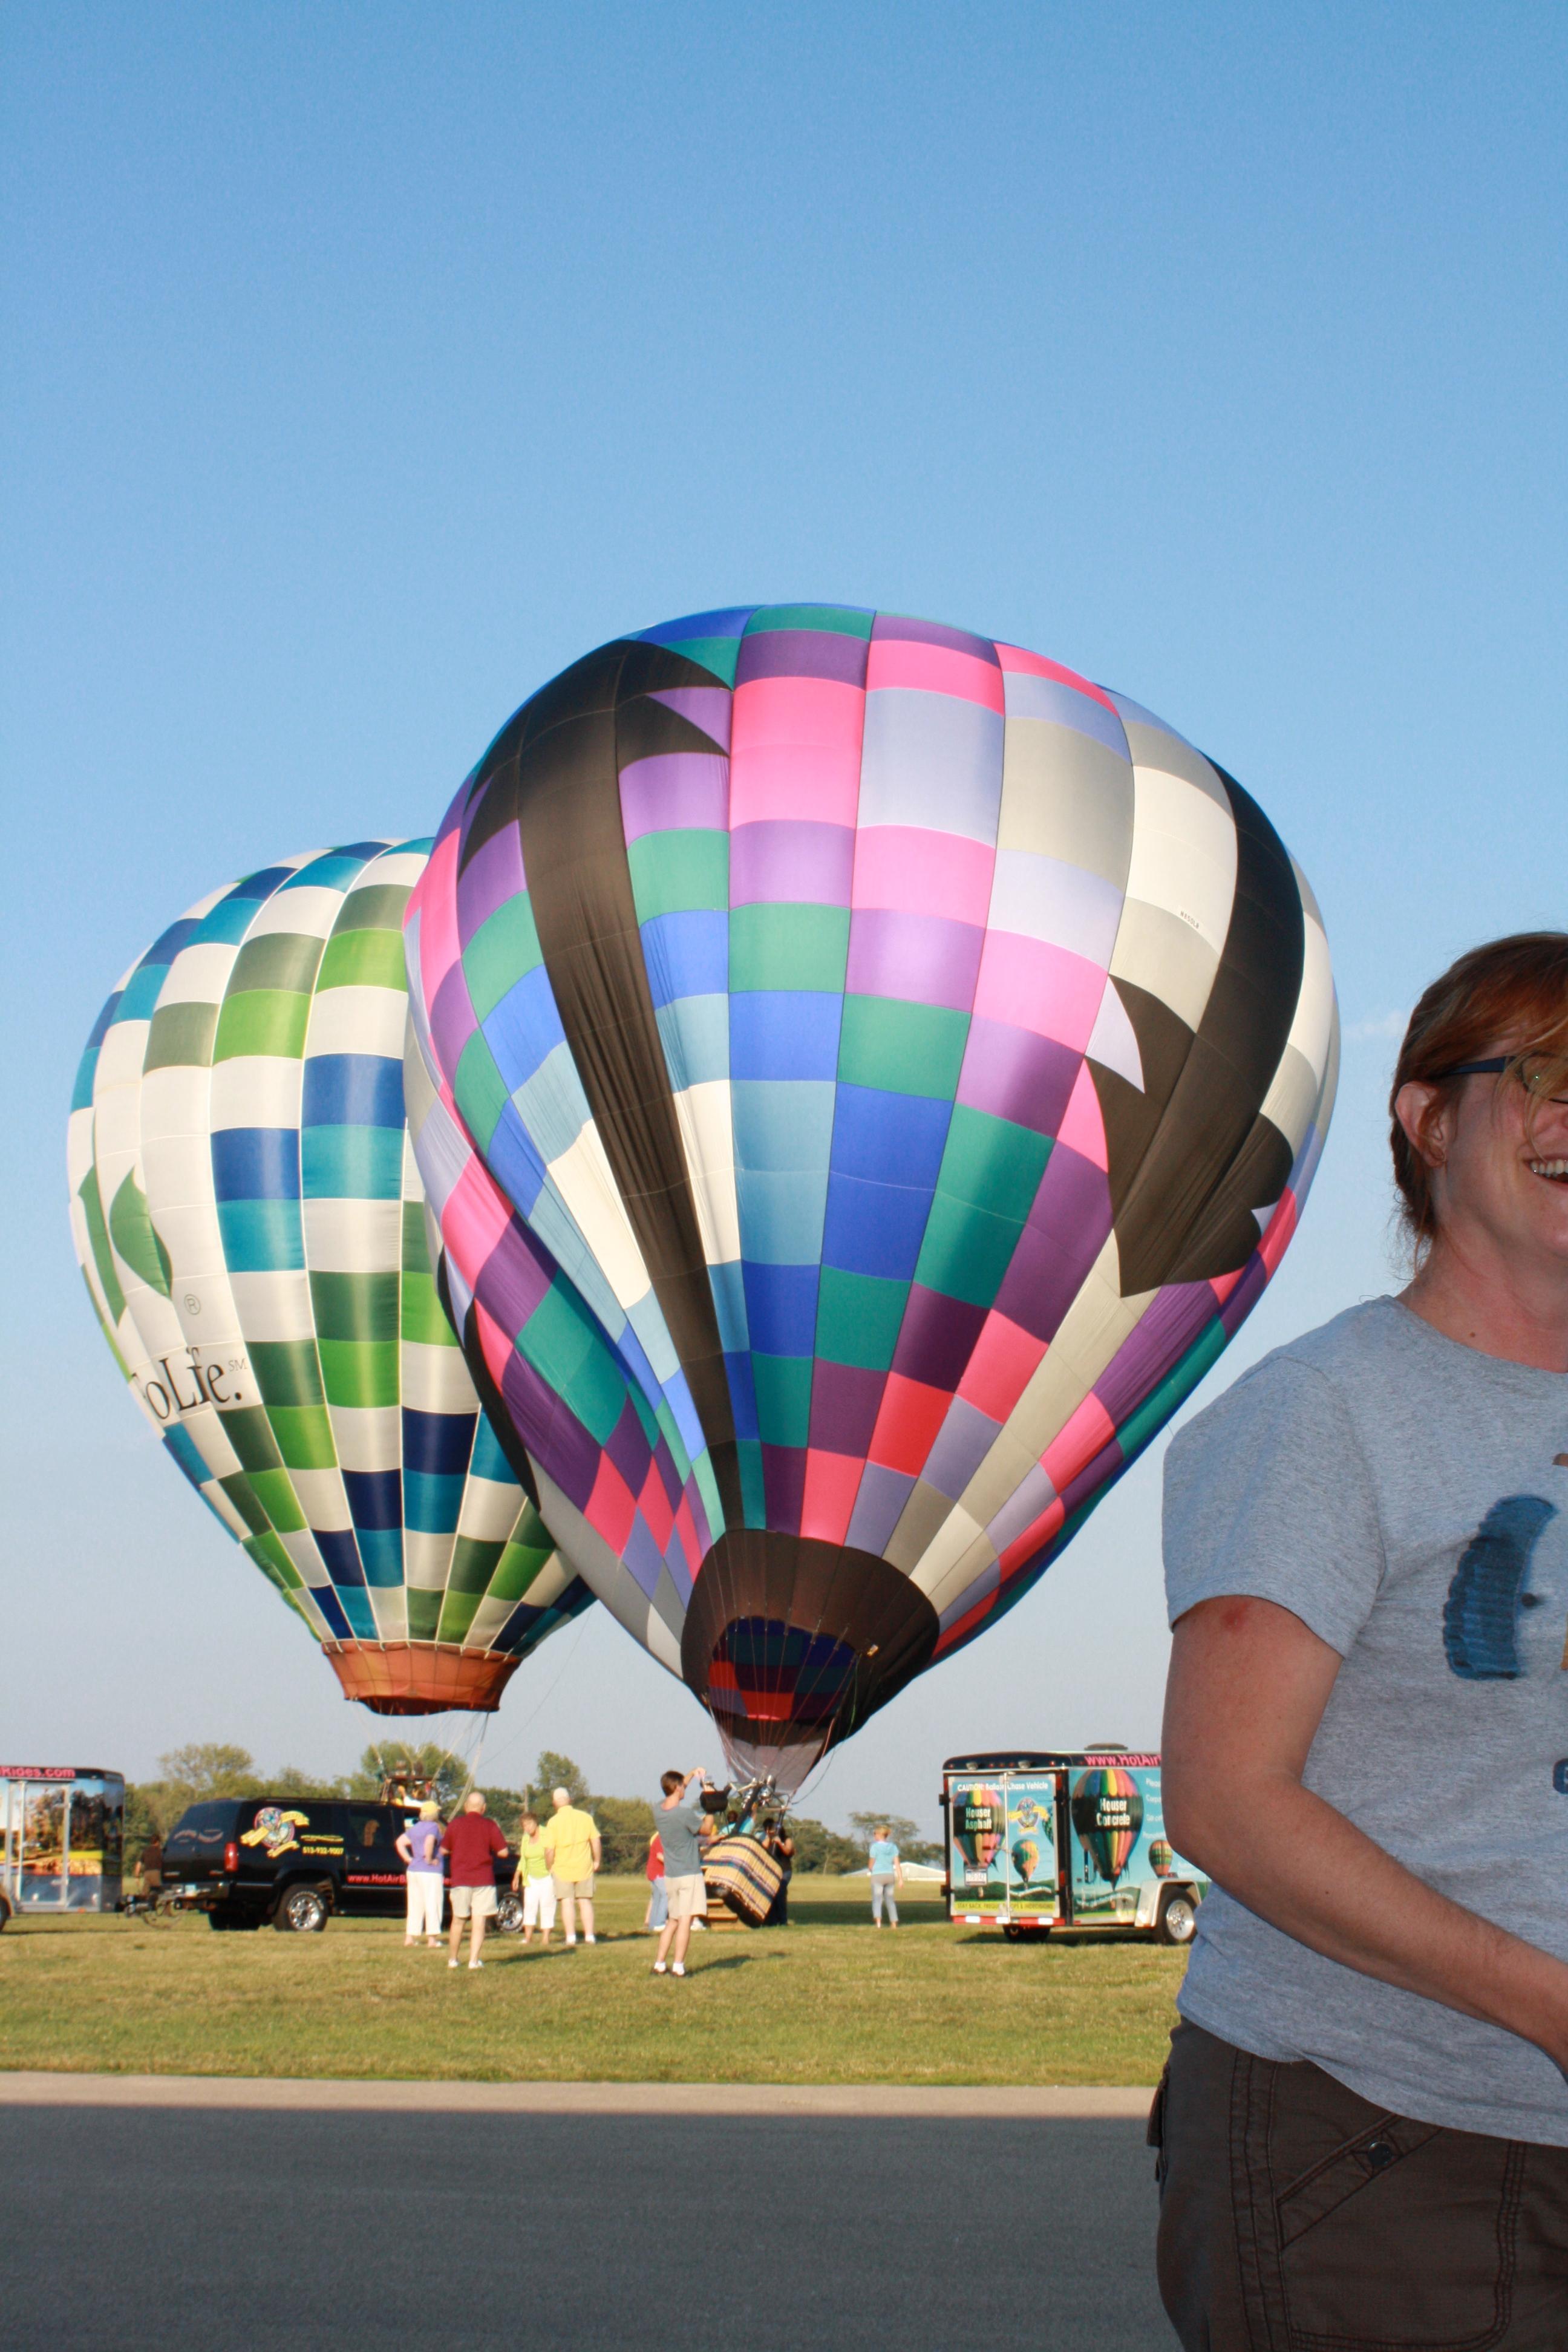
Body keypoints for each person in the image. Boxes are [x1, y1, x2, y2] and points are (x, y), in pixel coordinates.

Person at [1154, 934, 1568, 2350]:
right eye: (1547, 1075)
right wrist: (1556, 2008)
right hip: (1389, 2138)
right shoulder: (1326, 1411)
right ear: (1429, 1118)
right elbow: (1223, 1798)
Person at [652, 1768, 711, 1978]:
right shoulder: (685, 1814)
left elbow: (677, 1788)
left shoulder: (658, 1810)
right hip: (689, 1873)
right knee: (685, 1920)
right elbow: (706, 1830)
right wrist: (711, 1807)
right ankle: (678, 1966)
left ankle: (659, 1964)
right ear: (677, 1788)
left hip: (671, 1875)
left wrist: (693, 1773)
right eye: (682, 1787)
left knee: (673, 1921)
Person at [441, 1788, 507, 1970]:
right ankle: (473, 1961)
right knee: (479, 1922)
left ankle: (453, 1960)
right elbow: (503, 1852)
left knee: (458, 1921)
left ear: (465, 1807)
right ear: (483, 1808)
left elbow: (444, 1850)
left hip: (460, 1879)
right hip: (483, 1879)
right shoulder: (490, 1825)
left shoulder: (455, 1825)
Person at [542, 1785, 601, 1947]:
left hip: (562, 1869)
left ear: (554, 1803)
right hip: (584, 1867)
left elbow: (549, 1850)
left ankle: (571, 1937)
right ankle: (589, 1936)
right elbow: (595, 1840)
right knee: (585, 1901)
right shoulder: (585, 1817)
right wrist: (597, 1861)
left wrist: (550, 1867)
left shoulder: (553, 1822)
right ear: (570, 1800)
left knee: (567, 1902)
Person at [396, 1799, 445, 1948]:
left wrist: (408, 1859)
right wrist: (429, 1859)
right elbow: (430, 1842)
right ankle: (432, 1939)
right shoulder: (433, 1828)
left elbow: (400, 1843)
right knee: (433, 1903)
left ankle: (410, 1938)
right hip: (430, 1872)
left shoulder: (415, 1828)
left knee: (415, 1903)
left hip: (414, 1870)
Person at [511, 1811, 556, 1947]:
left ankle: (545, 1938)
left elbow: (553, 1853)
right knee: (530, 1906)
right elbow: (523, 1859)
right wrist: (517, 1875)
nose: (527, 1828)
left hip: (547, 1877)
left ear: (536, 1822)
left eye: (529, 1824)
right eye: (524, 1826)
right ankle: (528, 1937)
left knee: (547, 1906)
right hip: (530, 1878)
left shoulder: (547, 1834)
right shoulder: (526, 1838)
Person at [867, 1825, 902, 1927]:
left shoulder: (874, 1847)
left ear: (879, 1835)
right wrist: (900, 1879)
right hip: (890, 1875)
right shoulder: (893, 1847)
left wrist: (871, 1869)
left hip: (878, 1875)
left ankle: (878, 1923)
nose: (874, 1836)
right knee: (890, 1900)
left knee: (877, 1899)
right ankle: (894, 1923)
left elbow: (871, 1864)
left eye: (875, 1834)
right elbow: (897, 1864)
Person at [763, 1821, 795, 1926]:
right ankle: (772, 1920)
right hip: (773, 1871)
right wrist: (769, 1838)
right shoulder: (770, 1840)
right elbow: (762, 1849)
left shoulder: (787, 1840)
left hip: (784, 1871)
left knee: (781, 1893)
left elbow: (788, 1851)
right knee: (772, 1895)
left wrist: (780, 1843)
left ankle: (783, 1920)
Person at [644, 1828, 667, 1932]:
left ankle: (653, 1925)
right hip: (658, 1872)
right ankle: (660, 1923)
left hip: (653, 1872)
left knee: (657, 1897)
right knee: (666, 1894)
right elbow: (660, 1856)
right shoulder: (662, 1838)